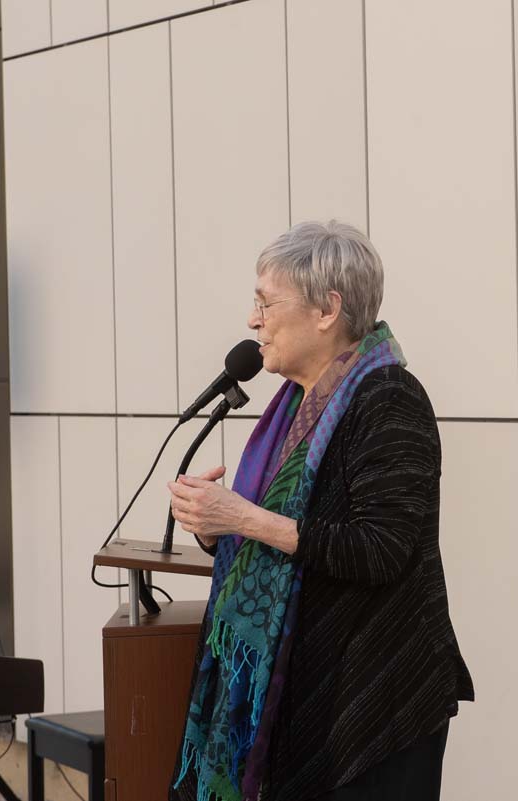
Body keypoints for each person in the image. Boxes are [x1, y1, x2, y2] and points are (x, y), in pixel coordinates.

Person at [166, 220, 473, 801]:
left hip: (374, 701)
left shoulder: (388, 398)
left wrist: (243, 518)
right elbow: (285, 537)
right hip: (307, 694)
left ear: (327, 310)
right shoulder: (295, 406)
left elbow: (381, 549)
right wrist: (214, 527)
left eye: (265, 302)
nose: (253, 320)